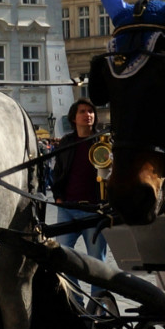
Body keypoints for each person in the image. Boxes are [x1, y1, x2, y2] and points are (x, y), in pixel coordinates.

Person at [48, 99, 109, 262]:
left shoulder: (103, 142)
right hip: (67, 208)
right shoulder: (67, 142)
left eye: (90, 111)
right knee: (63, 258)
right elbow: (57, 171)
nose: (87, 115)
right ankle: (72, 289)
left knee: (97, 261)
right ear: (74, 118)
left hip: (94, 210)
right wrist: (58, 198)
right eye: (82, 111)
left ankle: (100, 289)